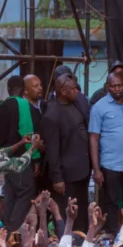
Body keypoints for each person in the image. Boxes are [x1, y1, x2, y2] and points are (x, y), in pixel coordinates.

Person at [89, 72, 123, 234]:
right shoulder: (99, 107)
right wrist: (96, 169)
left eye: (120, 85)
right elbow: (93, 139)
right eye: (114, 86)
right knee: (110, 202)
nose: (118, 89)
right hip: (110, 162)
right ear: (108, 87)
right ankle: (112, 234)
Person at [41, 73, 91, 233]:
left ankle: (81, 239)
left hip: (82, 171)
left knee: (81, 210)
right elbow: (52, 151)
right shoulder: (52, 115)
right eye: (73, 89)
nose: (77, 91)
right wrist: (57, 179)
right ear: (63, 91)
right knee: (68, 213)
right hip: (66, 176)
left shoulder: (76, 103)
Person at [0, 75, 43, 231]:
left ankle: (4, 231)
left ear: (9, 89)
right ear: (23, 90)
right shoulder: (23, 104)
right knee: (26, 192)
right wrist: (36, 158)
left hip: (6, 159)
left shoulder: (3, 105)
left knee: (10, 195)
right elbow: (28, 133)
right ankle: (13, 232)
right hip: (20, 159)